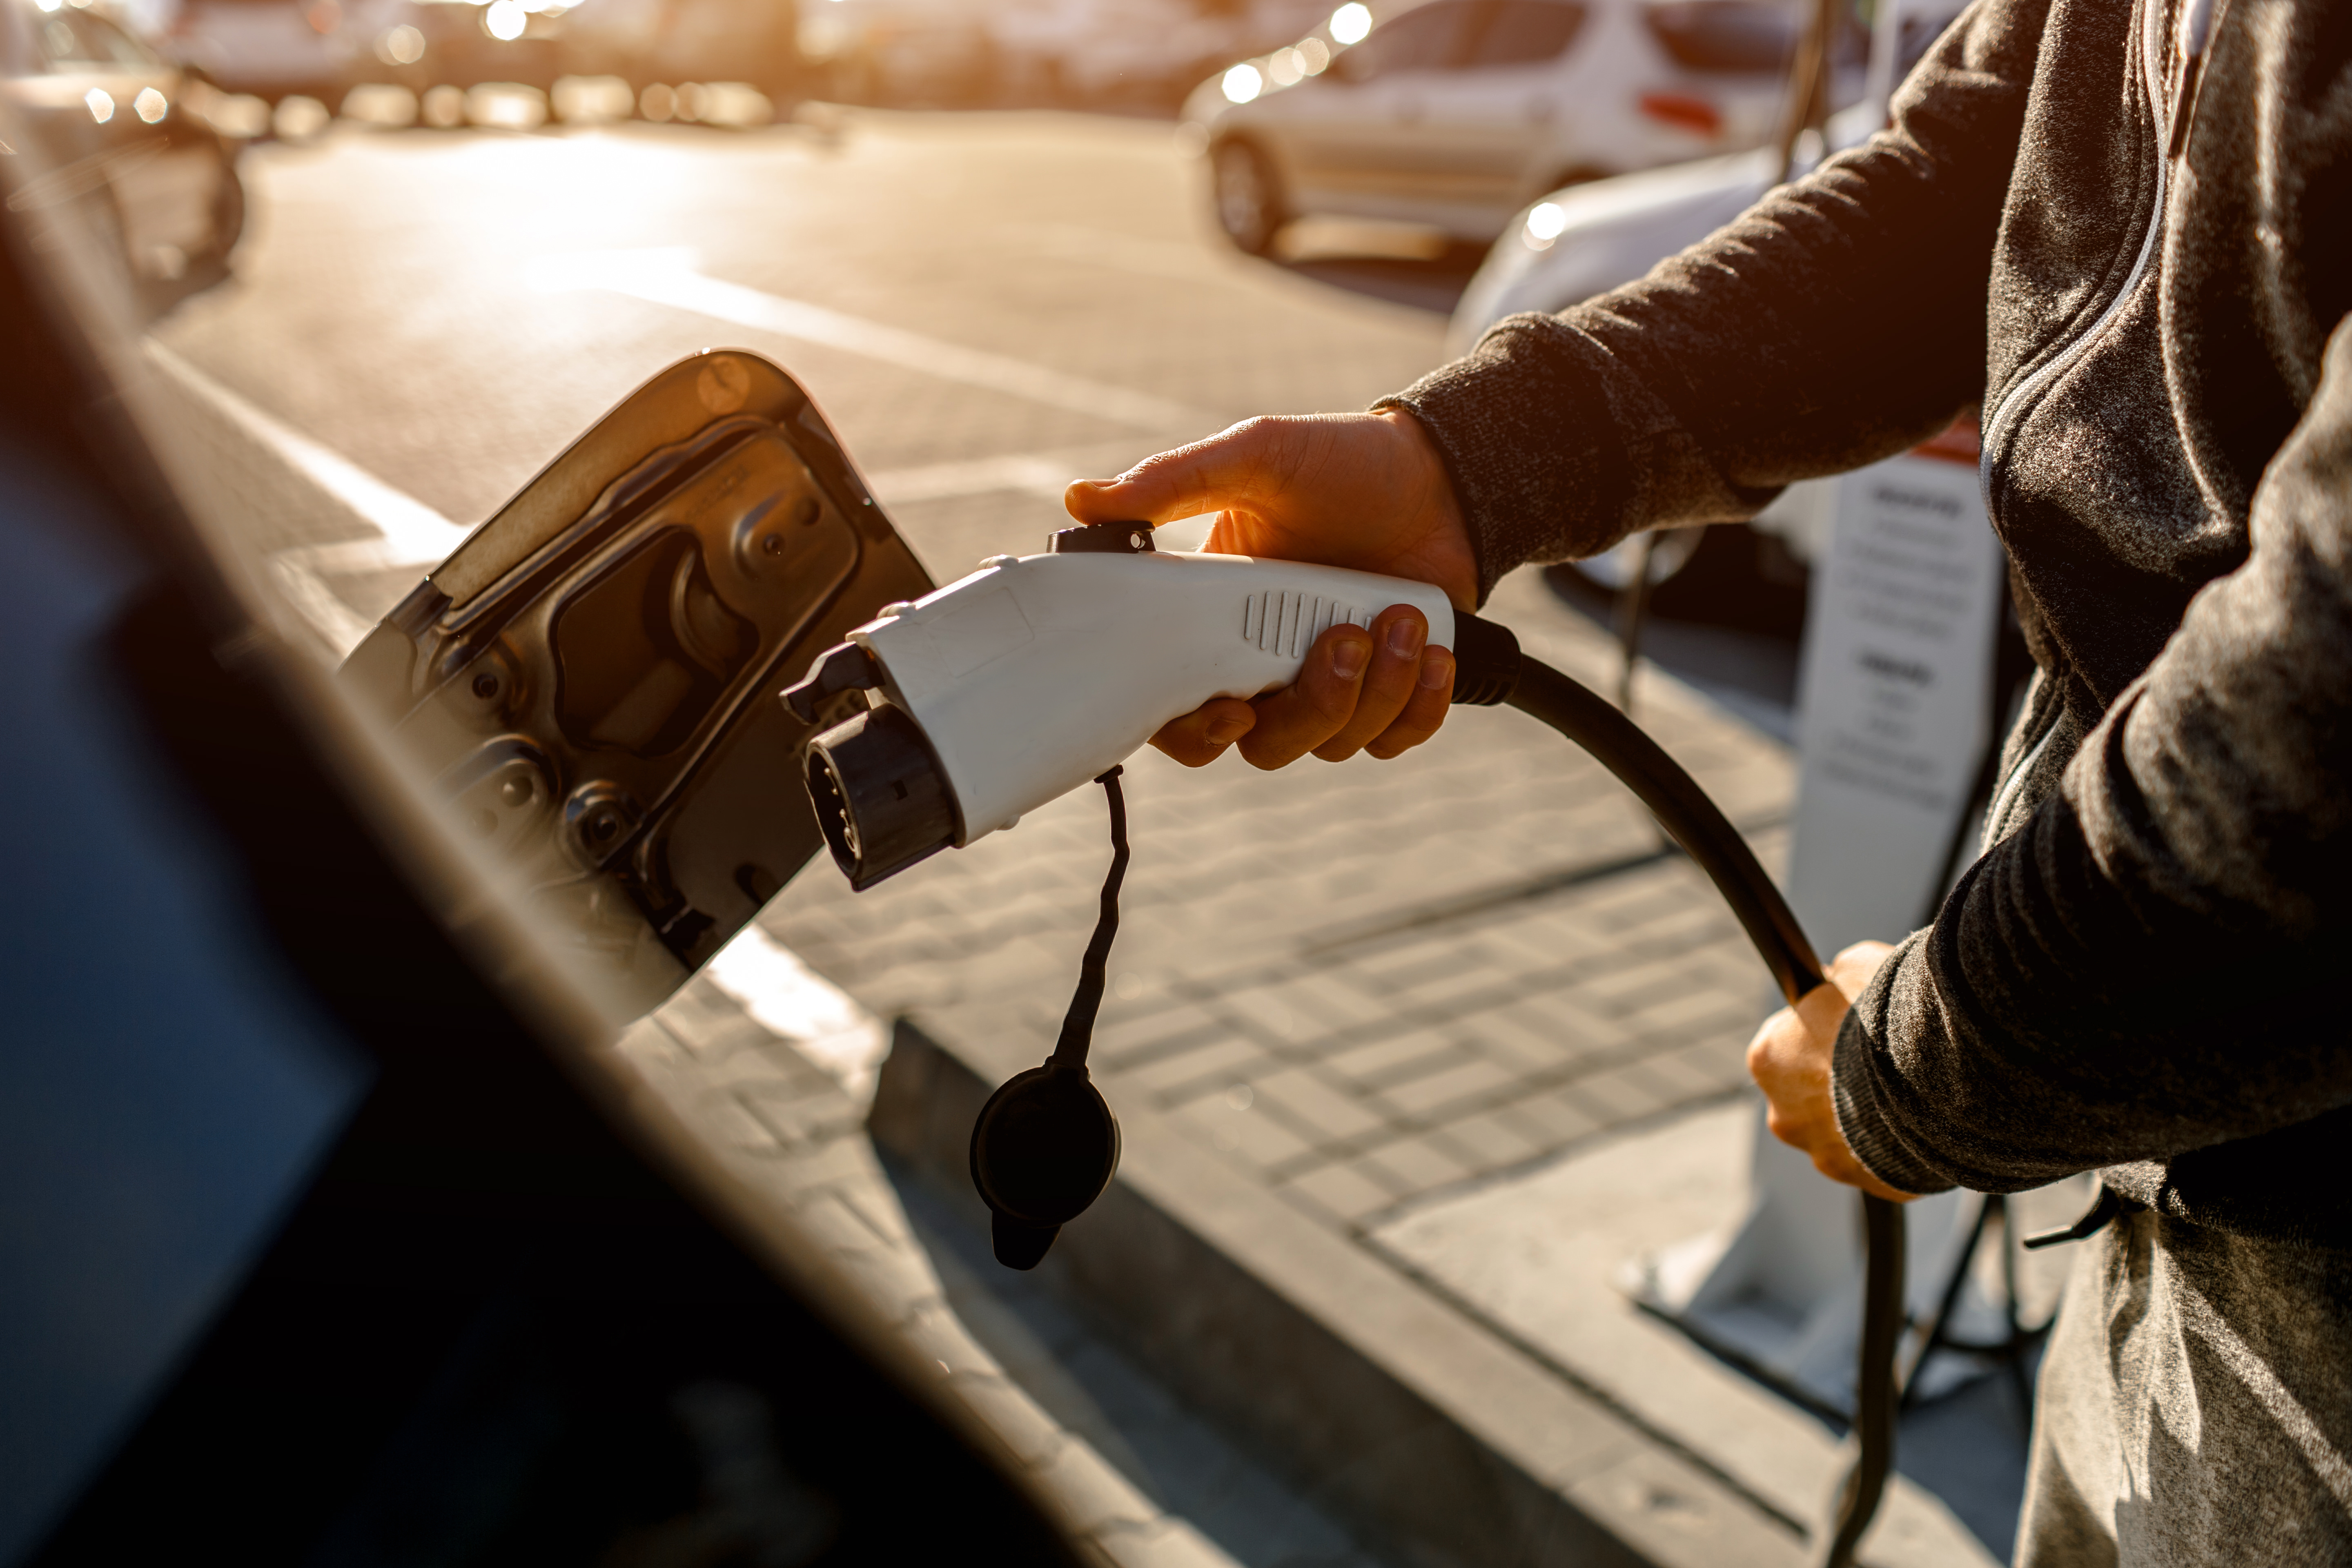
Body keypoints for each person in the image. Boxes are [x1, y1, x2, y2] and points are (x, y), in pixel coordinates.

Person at [1065, 0, 2352, 1559]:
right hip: (2177, 1212)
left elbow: (2313, 741)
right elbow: (1977, 179)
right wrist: (1467, 467)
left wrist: (1926, 1065)